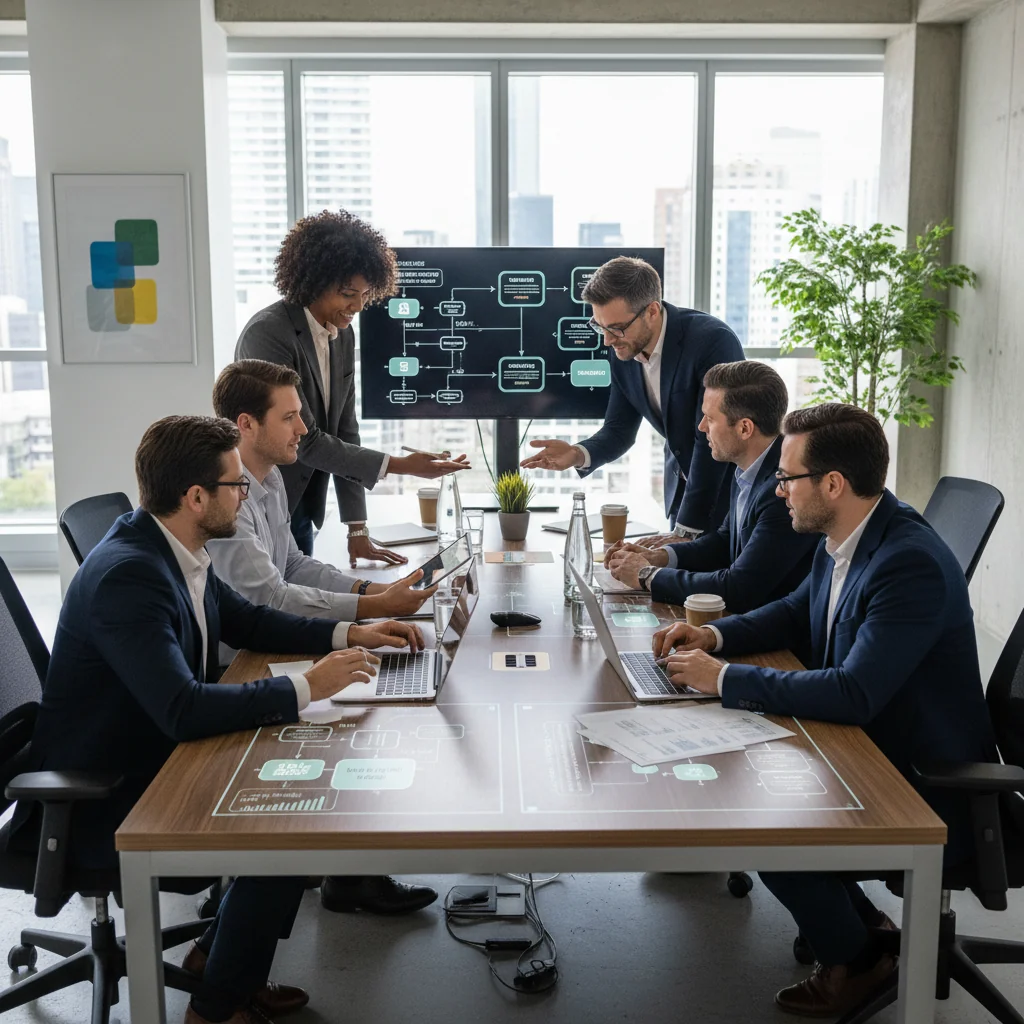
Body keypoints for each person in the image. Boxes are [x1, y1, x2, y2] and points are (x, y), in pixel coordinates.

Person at [8, 415, 425, 1024]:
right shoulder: (130, 575)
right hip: (106, 791)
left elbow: (249, 621)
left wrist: (350, 632)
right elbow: (183, 710)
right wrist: (309, 685)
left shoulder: (175, 546)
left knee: (301, 799)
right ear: (196, 497)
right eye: (236, 485)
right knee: (286, 828)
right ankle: (215, 1009)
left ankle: (218, 961)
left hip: (154, 748)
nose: (247, 495)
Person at [651, 403, 997, 1018]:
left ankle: (859, 961)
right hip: (866, 741)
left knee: (767, 823)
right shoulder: (846, 534)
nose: (777, 489)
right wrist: (715, 636)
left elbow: (853, 692)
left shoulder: (907, 562)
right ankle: (866, 934)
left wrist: (723, 678)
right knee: (749, 781)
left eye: (788, 478)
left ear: (833, 484)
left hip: (918, 778)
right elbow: (794, 611)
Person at [208, 358, 439, 916]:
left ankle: (346, 869)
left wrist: (370, 590)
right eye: (289, 417)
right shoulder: (228, 498)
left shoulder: (268, 480)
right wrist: (369, 609)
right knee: (351, 712)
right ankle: (336, 869)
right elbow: (270, 598)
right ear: (246, 424)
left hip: (273, 639)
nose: (304, 429)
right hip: (240, 661)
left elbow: (294, 564)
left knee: (369, 690)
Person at [236, 209, 469, 562]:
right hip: (261, 502)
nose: (358, 306)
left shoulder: (341, 335)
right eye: (348, 293)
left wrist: (357, 527)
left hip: (302, 505)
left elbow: (345, 430)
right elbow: (305, 439)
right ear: (314, 281)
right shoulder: (268, 335)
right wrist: (403, 465)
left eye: (365, 294)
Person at [521, 256, 744, 538]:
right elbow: (619, 430)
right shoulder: (624, 350)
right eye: (600, 326)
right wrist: (576, 454)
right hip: (681, 496)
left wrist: (686, 530)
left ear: (652, 311)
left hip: (726, 500)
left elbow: (712, 438)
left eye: (616, 328)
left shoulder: (712, 342)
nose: (607, 340)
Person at [604, 361, 815, 615]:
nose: (701, 426)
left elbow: (738, 588)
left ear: (744, 428)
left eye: (710, 419)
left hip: (771, 633)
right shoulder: (748, 467)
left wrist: (647, 575)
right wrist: (660, 557)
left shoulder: (782, 490)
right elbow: (723, 542)